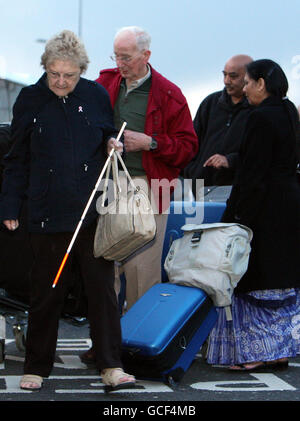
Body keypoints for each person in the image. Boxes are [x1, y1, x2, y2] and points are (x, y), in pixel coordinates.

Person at [0, 30, 136, 391]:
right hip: (45, 211)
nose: (61, 81)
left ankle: (111, 364)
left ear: (82, 72)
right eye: (54, 74)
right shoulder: (30, 99)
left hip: (92, 210)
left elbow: (109, 134)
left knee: (101, 290)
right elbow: (16, 158)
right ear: (45, 68)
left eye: (69, 75)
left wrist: (113, 143)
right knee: (47, 290)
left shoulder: (94, 95)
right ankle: (37, 367)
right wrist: (10, 205)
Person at [80, 26, 198, 364]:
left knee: (141, 271)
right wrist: (103, 140)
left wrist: (151, 142)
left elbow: (188, 148)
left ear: (146, 56)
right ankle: (105, 346)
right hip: (107, 182)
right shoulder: (104, 83)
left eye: (126, 57)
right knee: (104, 267)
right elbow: (86, 125)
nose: (120, 63)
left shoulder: (170, 94)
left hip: (149, 185)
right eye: (116, 56)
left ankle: (138, 347)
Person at [206, 59, 300, 370]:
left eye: (248, 82)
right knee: (281, 283)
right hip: (288, 205)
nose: (244, 89)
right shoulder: (289, 112)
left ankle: (260, 354)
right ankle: (280, 350)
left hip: (263, 211)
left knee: (254, 282)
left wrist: (236, 218)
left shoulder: (259, 117)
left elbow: (252, 174)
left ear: (261, 84)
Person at [184, 55, 253, 199]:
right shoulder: (210, 103)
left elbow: (259, 152)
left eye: (233, 76)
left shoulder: (256, 110)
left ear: (248, 77)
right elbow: (191, 141)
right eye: (225, 74)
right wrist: (193, 170)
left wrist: (231, 161)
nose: (227, 81)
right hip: (199, 189)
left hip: (237, 191)